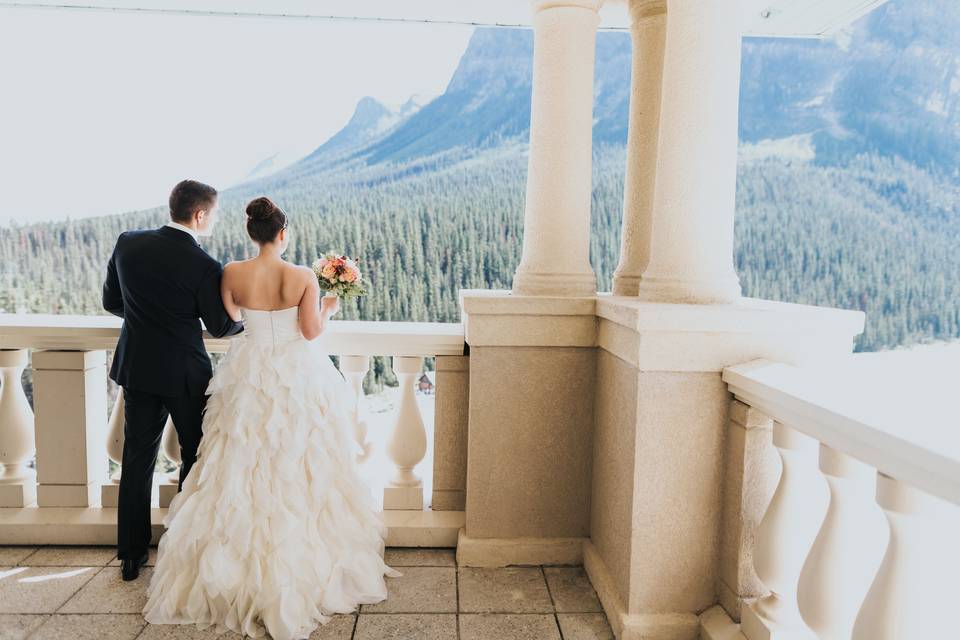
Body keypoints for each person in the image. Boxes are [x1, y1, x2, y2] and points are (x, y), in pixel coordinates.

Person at [142, 196, 399, 640]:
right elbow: (310, 331)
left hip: (249, 369)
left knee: (240, 460)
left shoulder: (231, 272)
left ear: (252, 233)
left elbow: (234, 317)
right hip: (297, 372)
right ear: (283, 234)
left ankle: (235, 569)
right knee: (299, 459)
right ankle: (299, 561)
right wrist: (329, 309)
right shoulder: (301, 276)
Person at [103, 179, 244, 582]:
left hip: (139, 368)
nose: (213, 220)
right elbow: (219, 326)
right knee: (194, 456)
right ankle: (182, 544)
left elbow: (113, 302)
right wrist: (246, 322)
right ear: (199, 215)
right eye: (213, 214)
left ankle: (131, 555)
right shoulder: (204, 265)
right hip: (185, 374)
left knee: (136, 459)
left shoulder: (128, 242)